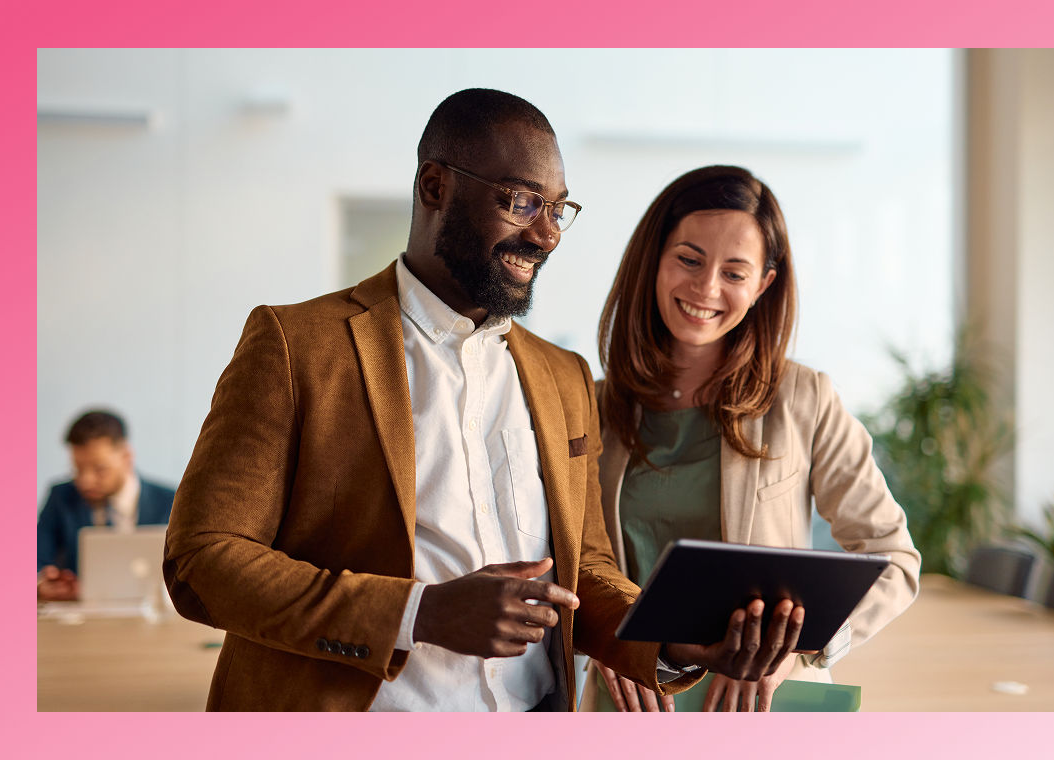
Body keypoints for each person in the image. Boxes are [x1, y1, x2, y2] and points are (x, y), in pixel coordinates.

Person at [163, 90, 804, 712]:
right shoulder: (297, 345)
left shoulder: (563, 376)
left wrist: (671, 640)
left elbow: (587, 574)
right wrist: (423, 613)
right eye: (521, 201)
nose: (547, 235)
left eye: (559, 208)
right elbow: (203, 560)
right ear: (435, 187)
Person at [584, 165, 922, 712]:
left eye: (734, 272)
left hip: (765, 708)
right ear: (653, 260)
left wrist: (796, 651)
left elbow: (894, 558)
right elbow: (568, 568)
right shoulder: (591, 407)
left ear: (763, 285)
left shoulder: (804, 398)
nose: (706, 288)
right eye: (689, 260)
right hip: (633, 706)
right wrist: (609, 645)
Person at [37, 409, 175, 601]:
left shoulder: (172, 500)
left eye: (99, 469)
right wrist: (42, 584)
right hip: (80, 619)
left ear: (126, 457)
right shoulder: (60, 497)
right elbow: (36, 559)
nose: (85, 481)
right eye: (78, 469)